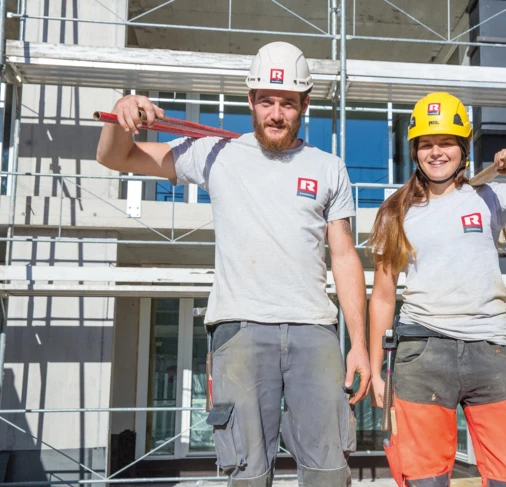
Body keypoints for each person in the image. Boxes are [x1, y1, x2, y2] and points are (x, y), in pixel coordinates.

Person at [96, 41, 371, 487]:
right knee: (247, 473)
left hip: (314, 332)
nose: (275, 114)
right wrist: (122, 112)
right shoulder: (214, 153)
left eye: (287, 103)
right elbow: (115, 157)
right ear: (250, 101)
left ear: (305, 104)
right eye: (266, 101)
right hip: (239, 333)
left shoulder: (329, 168)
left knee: (329, 473)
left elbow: (343, 258)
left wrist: (357, 344)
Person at [368, 92, 506, 487]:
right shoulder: (395, 210)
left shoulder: (492, 196)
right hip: (422, 353)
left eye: (447, 142)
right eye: (427, 144)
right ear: (415, 151)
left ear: (463, 147)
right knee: (423, 479)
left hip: (489, 350)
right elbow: (383, 295)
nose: (436, 152)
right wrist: (375, 369)